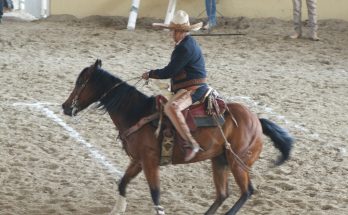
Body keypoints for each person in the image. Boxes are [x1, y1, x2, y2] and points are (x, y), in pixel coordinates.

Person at [143, 10, 209, 161]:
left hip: (194, 88)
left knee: (171, 108)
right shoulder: (185, 44)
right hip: (185, 85)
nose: (171, 34)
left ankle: (192, 144)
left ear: (179, 31)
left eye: (172, 31)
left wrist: (151, 73)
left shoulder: (184, 48)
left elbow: (169, 71)